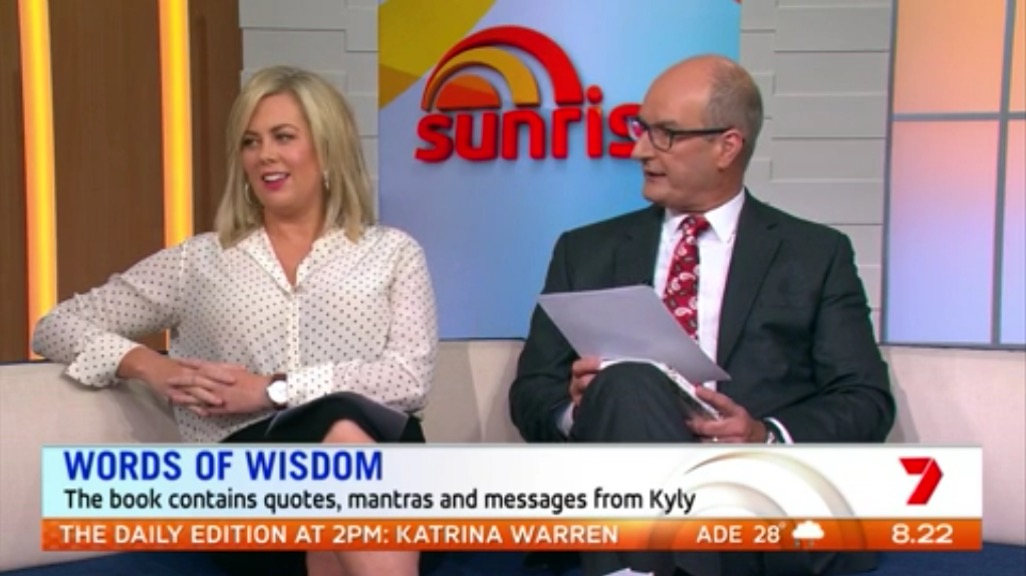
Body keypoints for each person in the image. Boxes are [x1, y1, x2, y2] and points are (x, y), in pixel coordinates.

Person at [32, 65, 437, 576]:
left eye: (283, 137)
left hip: (383, 465)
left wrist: (273, 390)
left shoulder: (393, 253)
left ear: (327, 148)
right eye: (251, 141)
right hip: (249, 481)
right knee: (341, 449)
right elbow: (56, 324)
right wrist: (149, 366)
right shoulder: (199, 262)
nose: (264, 154)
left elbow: (409, 378)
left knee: (344, 441)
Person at [509, 54, 896, 576]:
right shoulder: (586, 252)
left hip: (753, 499)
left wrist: (763, 434)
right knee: (628, 382)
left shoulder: (813, 255)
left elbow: (866, 400)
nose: (640, 149)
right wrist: (582, 411)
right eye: (641, 128)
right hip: (616, 491)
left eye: (665, 134)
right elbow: (532, 393)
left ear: (727, 146)